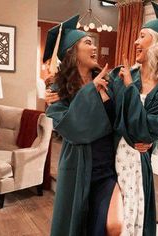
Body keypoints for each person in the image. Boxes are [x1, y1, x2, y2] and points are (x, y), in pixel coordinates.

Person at [107, 2, 158, 236]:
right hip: (107, 157)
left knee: (131, 218)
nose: (135, 41)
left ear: (157, 44)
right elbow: (104, 113)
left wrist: (128, 90)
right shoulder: (124, 74)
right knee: (110, 221)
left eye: (142, 36)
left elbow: (145, 133)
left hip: (135, 164)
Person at [44, 15, 128, 236]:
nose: (95, 46)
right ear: (73, 52)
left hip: (109, 169)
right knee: (77, 226)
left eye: (93, 42)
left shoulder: (109, 82)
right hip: (77, 169)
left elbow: (125, 116)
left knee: (112, 226)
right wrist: (91, 90)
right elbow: (72, 129)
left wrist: (144, 139)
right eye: (88, 42)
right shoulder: (57, 89)